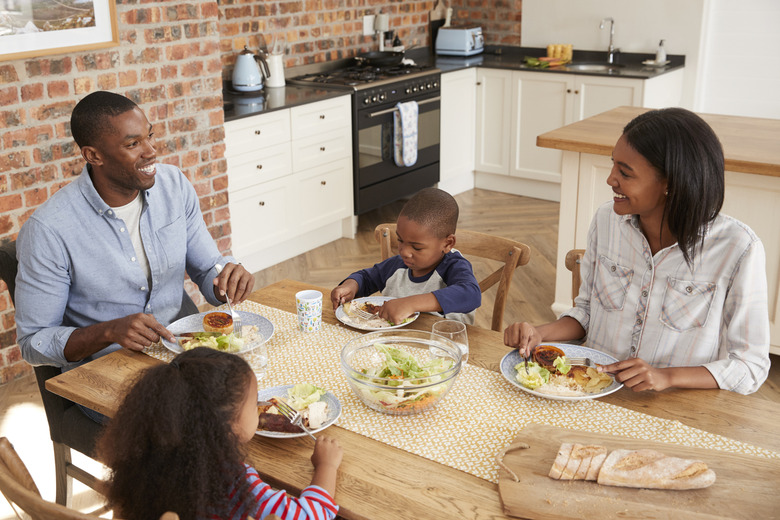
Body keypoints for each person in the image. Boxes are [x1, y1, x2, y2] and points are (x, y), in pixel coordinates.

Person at [15, 91, 255, 412]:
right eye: (133, 144)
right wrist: (109, 331)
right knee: (202, 416)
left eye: (150, 137)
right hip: (107, 372)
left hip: (181, 353)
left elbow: (207, 269)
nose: (151, 152)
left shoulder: (173, 185)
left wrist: (226, 277)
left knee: (253, 388)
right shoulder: (49, 230)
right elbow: (34, 343)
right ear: (93, 155)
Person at [504, 108, 769, 395]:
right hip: (591, 391)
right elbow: (587, 312)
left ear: (670, 183)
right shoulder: (607, 220)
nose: (610, 179)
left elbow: (750, 366)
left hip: (674, 407)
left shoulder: (738, 248)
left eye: (625, 173)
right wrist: (540, 333)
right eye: (613, 165)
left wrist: (666, 377)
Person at [96, 347, 343, 520]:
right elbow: (311, 515)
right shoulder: (233, 481)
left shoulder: (145, 455)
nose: (260, 407)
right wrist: (326, 467)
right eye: (254, 402)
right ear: (226, 427)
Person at [330, 187, 481, 325]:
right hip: (396, 342)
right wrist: (350, 286)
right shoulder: (398, 265)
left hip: (445, 346)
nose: (404, 252)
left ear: (448, 244)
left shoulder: (453, 266)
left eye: (416, 247)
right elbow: (367, 278)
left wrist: (410, 303)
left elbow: (471, 294)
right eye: (400, 240)